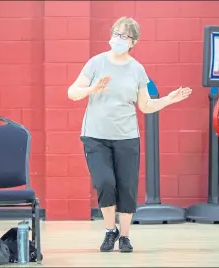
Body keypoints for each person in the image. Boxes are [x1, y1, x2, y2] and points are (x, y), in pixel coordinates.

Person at [67, 17, 192, 253]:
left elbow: (144, 106)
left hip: (126, 137)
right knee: (105, 182)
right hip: (95, 136)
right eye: (115, 33)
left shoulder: (137, 69)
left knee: (127, 187)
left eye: (123, 35)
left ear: (133, 41)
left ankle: (124, 236)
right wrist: (92, 89)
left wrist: (168, 100)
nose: (117, 38)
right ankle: (109, 230)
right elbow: (72, 92)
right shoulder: (96, 63)